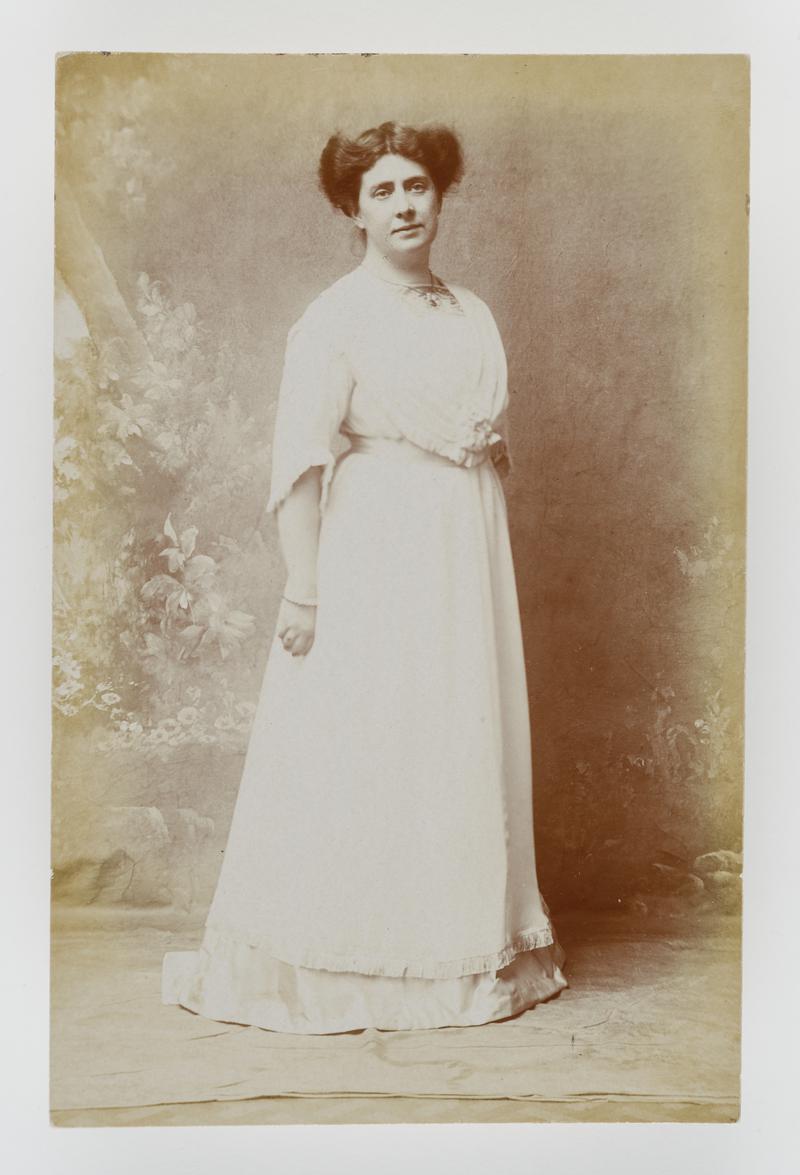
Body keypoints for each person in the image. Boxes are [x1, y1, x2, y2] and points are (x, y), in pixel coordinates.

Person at [161, 120, 569, 1033]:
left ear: (440, 194)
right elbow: (302, 462)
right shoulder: (335, 318)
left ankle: (458, 950)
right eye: (381, 192)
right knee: (373, 739)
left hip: (461, 545)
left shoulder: (471, 312)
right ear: (352, 210)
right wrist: (304, 585)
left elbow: (476, 435)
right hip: (377, 548)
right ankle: (358, 966)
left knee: (452, 737)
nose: (404, 205)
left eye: (416, 185)